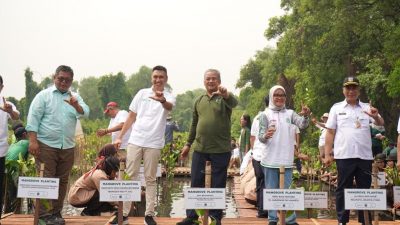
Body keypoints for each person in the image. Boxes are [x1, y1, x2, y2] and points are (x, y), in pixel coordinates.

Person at [26, 65, 90, 225]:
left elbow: (86, 112)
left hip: (67, 146)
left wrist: (76, 105)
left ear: (71, 81)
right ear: (54, 77)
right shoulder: (43, 96)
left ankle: (56, 213)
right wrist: (33, 141)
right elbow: (33, 119)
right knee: (47, 180)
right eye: (61, 78)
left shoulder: (74, 97)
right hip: (46, 145)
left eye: (67, 80)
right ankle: (44, 215)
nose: (63, 82)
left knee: (62, 180)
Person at [115, 65, 175, 225]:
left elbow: (169, 107)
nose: (158, 79)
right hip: (135, 140)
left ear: (166, 79)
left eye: (161, 77)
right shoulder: (142, 93)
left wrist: (162, 100)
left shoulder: (169, 96)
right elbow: (131, 116)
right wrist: (120, 137)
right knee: (130, 176)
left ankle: (149, 215)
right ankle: (124, 213)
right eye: (155, 76)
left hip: (154, 143)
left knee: (150, 178)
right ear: (151, 78)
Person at [177, 69, 238, 225]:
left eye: (214, 79)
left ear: (219, 81)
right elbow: (194, 124)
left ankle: (215, 217)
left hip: (221, 149)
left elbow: (234, 103)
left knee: (218, 184)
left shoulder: (224, 98)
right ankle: (191, 216)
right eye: (208, 79)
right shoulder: (199, 100)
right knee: (196, 181)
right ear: (204, 81)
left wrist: (225, 94)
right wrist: (187, 144)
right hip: (200, 149)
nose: (210, 81)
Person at [324, 76, 384, 225]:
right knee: (343, 188)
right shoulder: (336, 108)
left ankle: (365, 221)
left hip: (364, 156)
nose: (351, 91)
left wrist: (376, 117)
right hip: (344, 155)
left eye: (354, 88)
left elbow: (381, 125)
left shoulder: (367, 107)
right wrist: (327, 154)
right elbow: (330, 132)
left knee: (364, 189)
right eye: (348, 88)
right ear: (343, 90)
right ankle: (342, 221)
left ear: (358, 90)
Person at [258, 85, 310, 225]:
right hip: (270, 159)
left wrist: (305, 115)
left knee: (287, 191)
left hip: (286, 160)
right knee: (271, 191)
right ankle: (272, 219)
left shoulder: (290, 114)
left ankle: (290, 220)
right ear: (271, 97)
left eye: (282, 95)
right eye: (276, 95)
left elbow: (303, 125)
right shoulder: (265, 114)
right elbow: (260, 137)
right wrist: (266, 135)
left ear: (285, 98)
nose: (279, 98)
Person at [0, 75, 20, 219]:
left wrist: (9, 111)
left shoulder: (6, 103)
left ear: (2, 87)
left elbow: (16, 117)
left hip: (1, 151)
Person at [250, 95, 269, 218]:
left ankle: (260, 208)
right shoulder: (272, 117)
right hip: (267, 155)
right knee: (268, 183)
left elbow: (252, 137)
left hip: (256, 155)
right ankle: (264, 210)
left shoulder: (257, 117)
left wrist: (253, 152)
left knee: (260, 182)